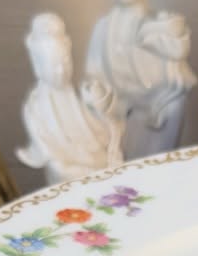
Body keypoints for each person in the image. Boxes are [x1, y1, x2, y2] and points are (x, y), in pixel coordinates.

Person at [86, 0, 197, 156]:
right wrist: (98, 95)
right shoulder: (103, 27)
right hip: (116, 108)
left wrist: (171, 37)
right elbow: (94, 74)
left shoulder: (157, 26)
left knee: (175, 106)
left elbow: (174, 72)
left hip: (154, 109)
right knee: (93, 113)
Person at [17, 14, 124, 185]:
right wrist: (70, 168)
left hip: (96, 162)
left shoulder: (78, 94)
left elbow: (104, 130)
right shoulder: (35, 107)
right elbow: (48, 153)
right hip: (69, 172)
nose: (61, 71)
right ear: (38, 67)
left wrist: (97, 107)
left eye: (65, 63)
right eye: (53, 66)